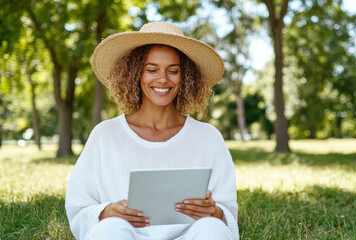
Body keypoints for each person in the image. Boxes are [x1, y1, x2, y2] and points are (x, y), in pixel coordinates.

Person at [65, 22, 239, 240]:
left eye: (173, 71)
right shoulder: (105, 135)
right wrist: (107, 212)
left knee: (213, 230)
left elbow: (227, 213)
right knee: (109, 229)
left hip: (190, 236)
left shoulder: (208, 137)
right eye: (152, 69)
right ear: (135, 73)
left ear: (186, 77)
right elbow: (79, 206)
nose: (163, 79)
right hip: (123, 236)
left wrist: (215, 212)